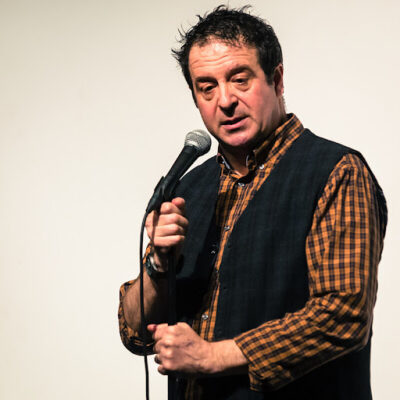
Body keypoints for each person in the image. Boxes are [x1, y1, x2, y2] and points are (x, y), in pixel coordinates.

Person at [118, 5, 387, 400]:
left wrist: (213, 356)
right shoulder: (188, 188)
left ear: (277, 79)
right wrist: (158, 265)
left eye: (239, 80)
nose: (225, 100)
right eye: (207, 87)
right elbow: (136, 333)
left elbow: (342, 315)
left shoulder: (335, 171)